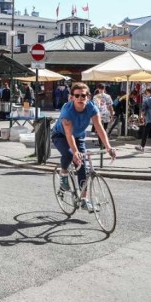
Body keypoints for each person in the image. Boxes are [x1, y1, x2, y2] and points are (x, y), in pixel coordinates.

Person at [51, 82, 117, 211]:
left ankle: (84, 199)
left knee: (82, 166)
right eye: (77, 95)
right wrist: (75, 152)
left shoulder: (92, 108)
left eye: (84, 95)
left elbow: (99, 128)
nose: (80, 98)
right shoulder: (67, 111)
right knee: (70, 154)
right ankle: (64, 174)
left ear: (88, 96)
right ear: (72, 97)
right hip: (61, 136)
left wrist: (109, 147)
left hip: (79, 136)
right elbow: (68, 135)